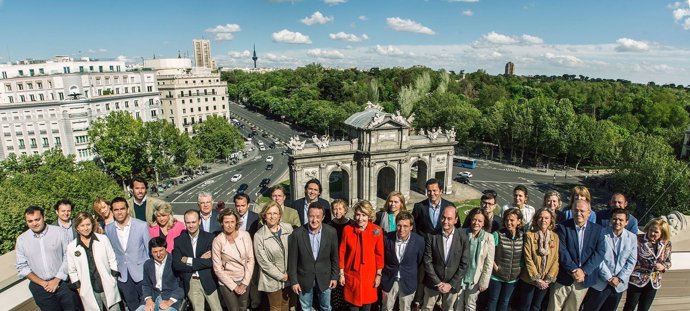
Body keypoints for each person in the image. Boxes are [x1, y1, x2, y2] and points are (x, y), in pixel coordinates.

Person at [16, 206, 82, 311]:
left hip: (64, 284)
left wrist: (57, 280)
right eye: (30, 221)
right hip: (41, 288)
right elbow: (22, 266)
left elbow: (68, 256)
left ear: (44, 217)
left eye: (37, 219)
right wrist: (43, 283)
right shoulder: (22, 240)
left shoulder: (59, 232)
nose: (34, 223)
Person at [548, 199, 605, 311]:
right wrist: (574, 269)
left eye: (582, 211)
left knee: (572, 308)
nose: (578, 213)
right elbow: (562, 250)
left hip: (583, 279)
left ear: (589, 212)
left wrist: (583, 271)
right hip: (564, 276)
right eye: (576, 210)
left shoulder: (598, 230)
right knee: (554, 307)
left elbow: (600, 253)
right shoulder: (563, 227)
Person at [581, 208, 637, 311]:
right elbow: (598, 257)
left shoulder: (632, 238)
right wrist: (609, 277)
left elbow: (631, 262)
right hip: (600, 282)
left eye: (621, 220)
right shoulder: (601, 233)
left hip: (618, 285)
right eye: (615, 219)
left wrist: (619, 278)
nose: (617, 222)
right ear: (610, 220)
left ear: (626, 222)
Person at [288, 202, 339, 311]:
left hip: (325, 278)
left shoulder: (331, 232)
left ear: (323, 217)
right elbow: (292, 261)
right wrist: (294, 281)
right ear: (307, 215)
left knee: (326, 307)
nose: (314, 220)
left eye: (318, 217)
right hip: (304, 279)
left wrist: (335, 277)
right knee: (306, 308)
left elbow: (335, 257)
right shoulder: (297, 234)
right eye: (311, 216)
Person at [67, 212, 122, 311]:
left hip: (107, 285)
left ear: (92, 225)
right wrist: (79, 289)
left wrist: (113, 279)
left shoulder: (103, 239)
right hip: (89, 289)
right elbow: (72, 270)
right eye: (82, 225)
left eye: (88, 224)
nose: (86, 228)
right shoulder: (71, 247)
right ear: (77, 227)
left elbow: (112, 259)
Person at [104, 197, 151, 311]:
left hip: (141, 273)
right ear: (112, 211)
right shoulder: (108, 229)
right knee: (132, 305)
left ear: (127, 209)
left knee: (147, 304)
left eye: (122, 209)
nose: (119, 212)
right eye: (116, 210)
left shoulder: (141, 225)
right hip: (123, 275)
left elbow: (149, 250)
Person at [172, 209, 223, 311]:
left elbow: (211, 262)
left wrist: (188, 260)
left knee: (216, 308)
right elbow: (177, 265)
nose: (191, 225)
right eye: (188, 222)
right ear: (185, 223)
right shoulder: (179, 240)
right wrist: (200, 261)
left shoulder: (210, 238)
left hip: (209, 280)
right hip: (191, 281)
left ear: (199, 221)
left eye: (193, 222)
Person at [421, 205, 469, 311]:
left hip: (452, 285)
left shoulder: (463, 238)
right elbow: (427, 261)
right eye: (443, 217)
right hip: (433, 283)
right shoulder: (431, 235)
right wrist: (438, 282)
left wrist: (450, 284)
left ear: (456, 220)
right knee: (427, 308)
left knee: (449, 308)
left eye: (449, 218)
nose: (445, 221)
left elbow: (464, 263)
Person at [339, 200, 385, 311]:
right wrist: (341, 273)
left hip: (369, 276)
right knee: (352, 307)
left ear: (369, 215)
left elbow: (379, 254)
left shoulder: (376, 230)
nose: (360, 218)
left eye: (364, 215)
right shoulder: (347, 230)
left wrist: (378, 275)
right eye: (358, 215)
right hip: (351, 274)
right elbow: (342, 252)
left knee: (367, 307)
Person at [622, 218, 672, 311]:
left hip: (653, 281)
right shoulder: (637, 239)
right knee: (630, 306)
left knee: (644, 308)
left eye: (656, 232)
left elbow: (668, 262)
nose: (652, 233)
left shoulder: (666, 243)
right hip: (636, 280)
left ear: (662, 233)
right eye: (651, 230)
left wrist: (663, 267)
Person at [212, 208, 255, 311]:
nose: (230, 225)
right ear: (222, 223)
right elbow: (217, 268)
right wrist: (234, 287)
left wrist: (244, 283)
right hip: (227, 281)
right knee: (233, 308)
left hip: (244, 278)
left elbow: (250, 259)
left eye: (232, 222)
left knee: (243, 307)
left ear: (236, 222)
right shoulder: (217, 240)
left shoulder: (245, 235)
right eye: (226, 222)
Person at [380, 211, 424, 311]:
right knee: (386, 308)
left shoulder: (419, 241)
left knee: (405, 308)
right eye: (399, 225)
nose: (401, 229)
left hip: (408, 281)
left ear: (411, 227)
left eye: (405, 226)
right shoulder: (387, 238)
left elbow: (420, 262)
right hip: (389, 280)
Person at [517, 208, 559, 311]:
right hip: (529, 279)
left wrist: (548, 279)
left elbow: (555, 259)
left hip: (545, 280)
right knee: (525, 306)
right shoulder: (529, 236)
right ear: (536, 220)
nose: (543, 220)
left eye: (546, 218)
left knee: (537, 306)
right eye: (540, 217)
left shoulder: (555, 237)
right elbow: (528, 258)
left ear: (551, 220)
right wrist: (537, 278)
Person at [254, 201, 293, 311]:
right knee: (275, 307)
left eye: (275, 213)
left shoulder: (288, 229)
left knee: (286, 305)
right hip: (271, 279)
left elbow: (294, 252)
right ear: (264, 216)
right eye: (269, 213)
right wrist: (281, 276)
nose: (272, 216)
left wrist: (290, 273)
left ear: (280, 215)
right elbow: (263, 261)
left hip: (289, 275)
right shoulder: (259, 235)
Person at [456, 208, 495, 311]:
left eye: (479, 221)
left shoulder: (488, 238)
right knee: (457, 304)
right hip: (459, 276)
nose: (476, 223)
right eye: (474, 219)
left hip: (475, 279)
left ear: (484, 223)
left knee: (470, 305)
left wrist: (484, 282)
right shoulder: (460, 233)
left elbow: (489, 263)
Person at [487, 208, 524, 311]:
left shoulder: (522, 236)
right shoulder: (497, 234)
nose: (509, 223)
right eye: (507, 220)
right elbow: (489, 253)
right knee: (493, 300)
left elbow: (523, 256)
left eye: (512, 220)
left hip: (513, 277)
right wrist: (495, 267)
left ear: (519, 221)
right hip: (497, 276)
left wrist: (520, 267)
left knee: (505, 301)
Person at [137, 237, 185, 311]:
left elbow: (182, 285)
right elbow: (146, 284)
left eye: (161, 250)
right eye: (155, 252)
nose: (158, 254)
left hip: (171, 297)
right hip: (153, 297)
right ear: (151, 252)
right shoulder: (147, 264)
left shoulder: (175, 261)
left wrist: (170, 301)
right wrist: (148, 299)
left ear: (165, 248)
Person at [233, 193, 261, 311]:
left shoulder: (256, 218)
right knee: (240, 281)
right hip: (236, 257)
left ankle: (255, 304)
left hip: (251, 256)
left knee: (253, 281)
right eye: (238, 205)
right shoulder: (231, 217)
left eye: (243, 205)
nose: (240, 208)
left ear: (248, 205)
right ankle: (244, 304)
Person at [328, 198, 353, 311]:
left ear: (345, 210)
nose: (337, 212)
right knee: (336, 290)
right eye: (335, 209)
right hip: (333, 261)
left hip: (348, 261)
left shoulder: (352, 224)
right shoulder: (328, 225)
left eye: (340, 209)